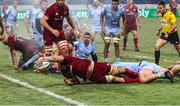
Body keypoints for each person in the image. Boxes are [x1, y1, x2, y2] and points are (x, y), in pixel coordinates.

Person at [35, 55, 140, 85]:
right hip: (93, 77)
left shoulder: (64, 59)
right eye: (51, 65)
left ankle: (137, 74)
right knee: (115, 79)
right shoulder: (64, 72)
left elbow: (54, 58)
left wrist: (43, 58)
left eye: (53, 63)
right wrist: (70, 82)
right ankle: (139, 80)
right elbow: (76, 80)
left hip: (96, 66)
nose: (53, 64)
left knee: (118, 70)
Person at [155, 1, 180, 65]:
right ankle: (156, 65)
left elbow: (174, 26)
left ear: (164, 7)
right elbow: (163, 23)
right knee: (157, 46)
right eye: (158, 8)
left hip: (173, 34)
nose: (159, 9)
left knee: (178, 49)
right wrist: (159, 30)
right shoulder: (161, 14)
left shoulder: (170, 14)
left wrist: (168, 33)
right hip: (164, 33)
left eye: (160, 8)